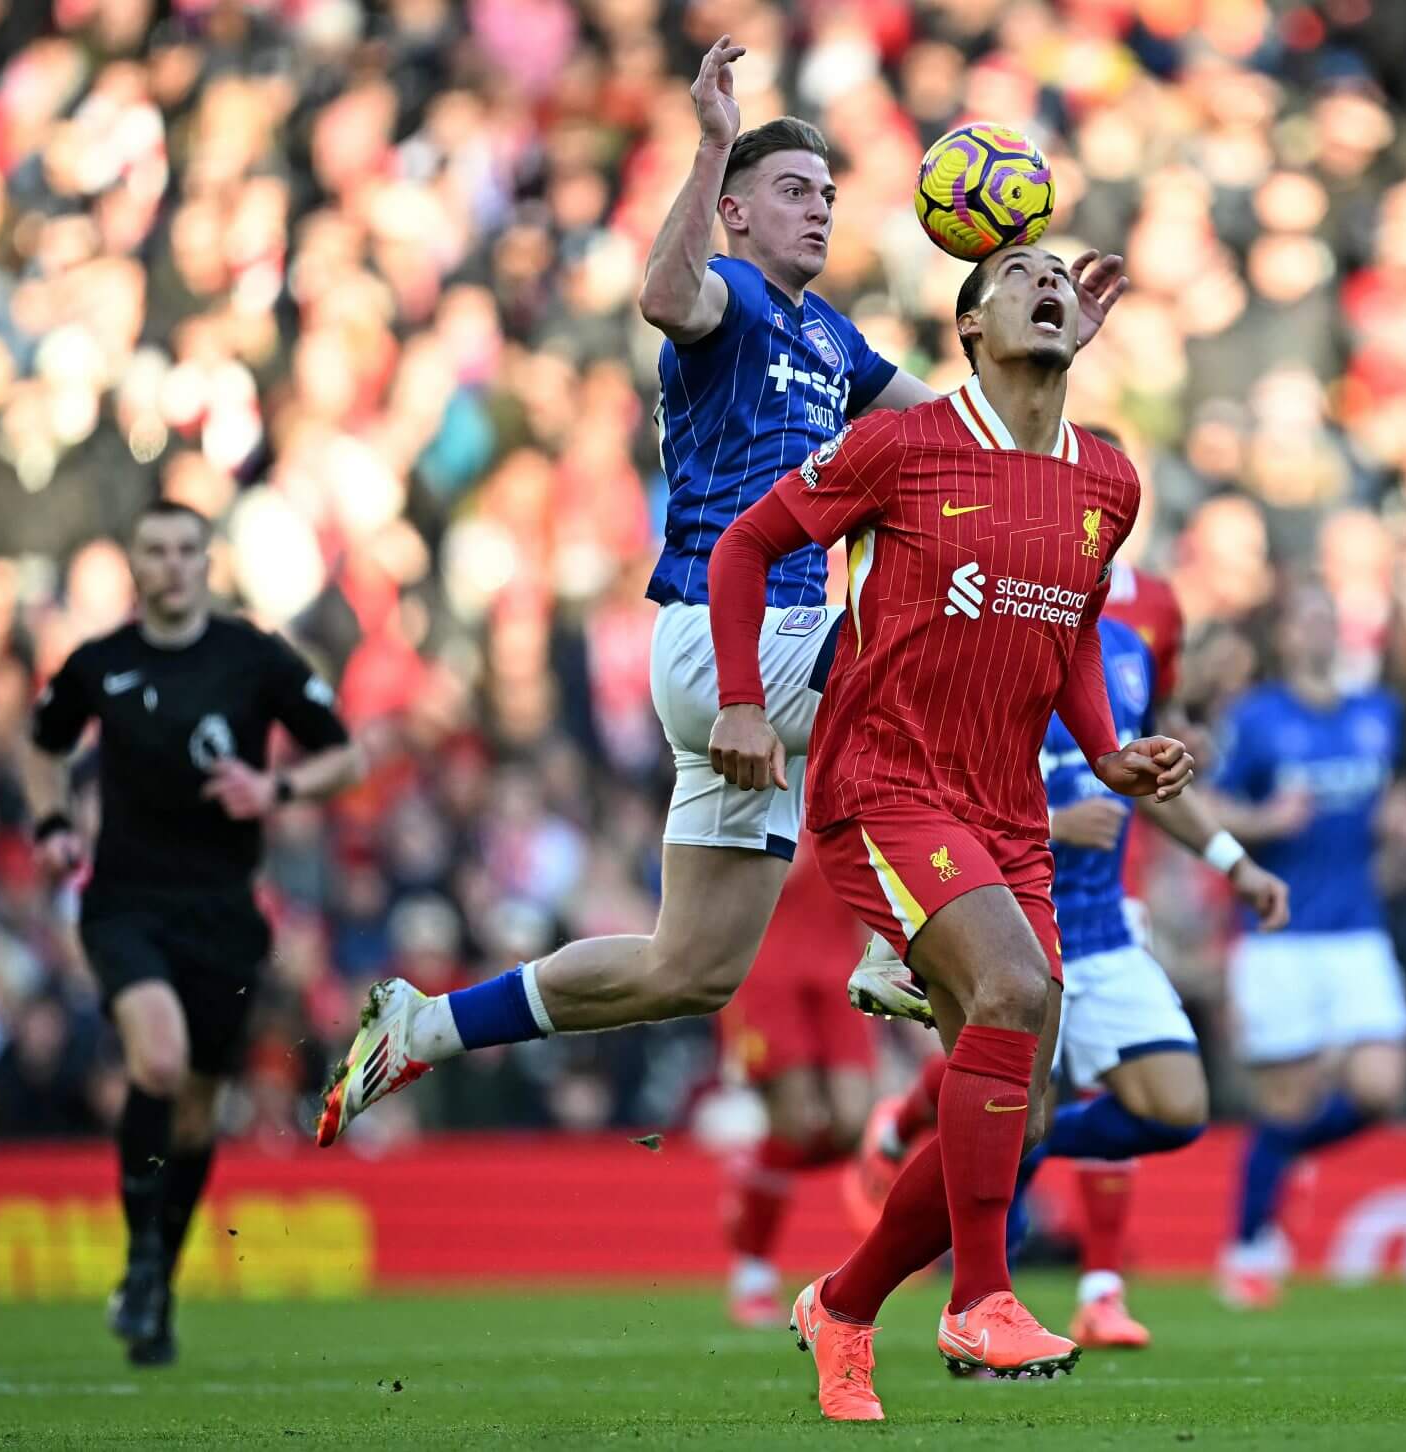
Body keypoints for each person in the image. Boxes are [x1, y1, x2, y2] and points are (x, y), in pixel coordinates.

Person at [315, 39, 1125, 1146]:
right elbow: (661, 292)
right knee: (945, 622)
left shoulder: (830, 336)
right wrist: (705, 149)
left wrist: (1047, 344)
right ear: (735, 212)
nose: (819, 211)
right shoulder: (732, 298)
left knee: (685, 968)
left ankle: (426, 1027)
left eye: (829, 195)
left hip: (752, 675)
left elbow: (968, 435)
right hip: (728, 636)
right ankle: (901, 934)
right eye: (792, 191)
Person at [706, 243, 1191, 1419]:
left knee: (1016, 1115)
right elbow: (746, 546)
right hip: (884, 782)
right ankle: (980, 1298)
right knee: (1016, 994)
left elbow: (1069, 622)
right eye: (1013, 274)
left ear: (1083, 326)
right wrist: (734, 696)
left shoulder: (1107, 482)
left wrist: (1110, 743)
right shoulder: (902, 445)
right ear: (968, 327)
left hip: (1005, 807)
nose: (1043, 286)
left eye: (1056, 279)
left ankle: (843, 1304)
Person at [852, 614, 1290, 1350]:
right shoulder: (985, 635)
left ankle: (960, 1144)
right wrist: (1053, 823)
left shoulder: (1128, 646)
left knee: (1176, 1109)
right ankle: (963, 1304)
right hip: (1012, 931)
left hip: (1106, 932)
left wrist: (1234, 863)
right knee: (1012, 1124)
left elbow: (1154, 782)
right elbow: (934, 794)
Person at [26, 501, 364, 1365]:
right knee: (161, 1061)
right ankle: (141, 1260)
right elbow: (43, 742)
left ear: (207, 563)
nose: (171, 565)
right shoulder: (101, 663)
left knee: (195, 1110)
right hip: (127, 903)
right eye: (155, 551)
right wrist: (50, 824)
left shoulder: (252, 657)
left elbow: (344, 754)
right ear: (135, 565)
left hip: (223, 913)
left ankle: (154, 1282)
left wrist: (276, 790)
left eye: (186, 550)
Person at [1209, 580, 1406, 1310]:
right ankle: (1247, 1246)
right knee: (1288, 1101)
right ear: (1285, 636)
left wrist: (1403, 825)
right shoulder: (1257, 720)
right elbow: (1206, 809)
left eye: (1329, 617)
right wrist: (1266, 820)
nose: (1320, 631)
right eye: (1306, 618)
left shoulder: (1377, 715)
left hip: (1357, 928)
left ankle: (1277, 1165)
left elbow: (1394, 806)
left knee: (1381, 1085)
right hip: (1281, 935)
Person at [718, 831, 875, 1329]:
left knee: (854, 1124)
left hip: (836, 967)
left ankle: (755, 1173)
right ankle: (753, 1273)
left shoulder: (855, 768)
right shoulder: (763, 769)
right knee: (791, 1121)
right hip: (768, 968)